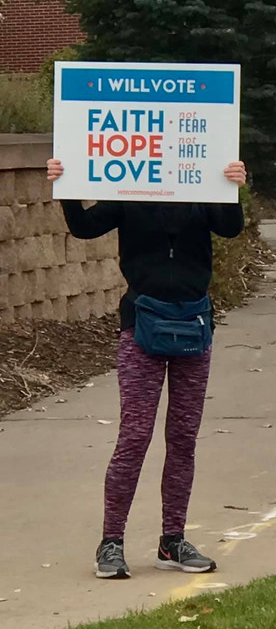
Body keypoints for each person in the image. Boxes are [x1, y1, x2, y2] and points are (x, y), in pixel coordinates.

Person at [46, 157, 248, 580]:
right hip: (142, 325)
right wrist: (65, 184)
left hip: (193, 324)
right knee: (135, 435)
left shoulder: (203, 187)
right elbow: (84, 227)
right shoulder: (131, 191)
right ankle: (111, 541)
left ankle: (172, 539)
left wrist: (233, 186)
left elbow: (229, 227)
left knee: (183, 437)